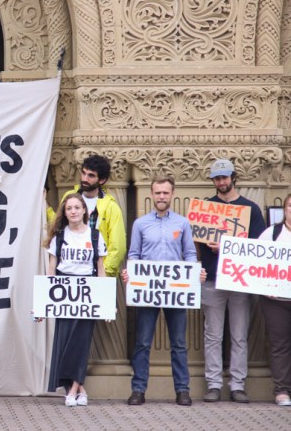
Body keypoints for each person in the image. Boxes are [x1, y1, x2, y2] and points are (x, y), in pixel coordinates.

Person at [121, 176, 206, 406]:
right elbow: (134, 255)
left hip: (175, 291)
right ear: (151, 194)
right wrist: (130, 273)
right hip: (148, 290)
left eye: (165, 193)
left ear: (172, 194)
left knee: (178, 343)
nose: (161, 197)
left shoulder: (182, 223)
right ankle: (138, 390)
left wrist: (194, 273)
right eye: (158, 193)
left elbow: (189, 254)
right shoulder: (140, 224)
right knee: (142, 342)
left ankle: (182, 391)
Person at [198, 158, 264, 403]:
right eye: (217, 178)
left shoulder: (251, 209)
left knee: (239, 335)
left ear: (233, 177)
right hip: (212, 279)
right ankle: (214, 384)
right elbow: (194, 243)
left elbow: (258, 247)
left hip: (240, 281)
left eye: (225, 177)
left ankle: (237, 385)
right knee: (213, 335)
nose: (221, 182)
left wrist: (225, 248)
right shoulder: (205, 208)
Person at [40, 193, 107, 407]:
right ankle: (79, 389)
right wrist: (43, 302)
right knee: (66, 342)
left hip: (87, 292)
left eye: (77, 207)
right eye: (69, 208)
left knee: (82, 342)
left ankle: (74, 389)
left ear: (85, 210)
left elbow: (100, 270)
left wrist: (105, 304)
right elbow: (51, 269)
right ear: (65, 212)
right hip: (63, 292)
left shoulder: (95, 236)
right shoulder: (59, 237)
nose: (74, 211)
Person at [61, 155, 126, 277]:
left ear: (101, 180)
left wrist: (103, 274)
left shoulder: (111, 207)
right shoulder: (69, 197)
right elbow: (57, 227)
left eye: (91, 175)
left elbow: (117, 247)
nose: (85, 178)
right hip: (68, 270)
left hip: (95, 273)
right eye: (84, 173)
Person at [257, 193, 291, 406]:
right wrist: (263, 286)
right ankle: (282, 390)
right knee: (279, 345)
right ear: (285, 209)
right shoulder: (271, 233)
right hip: (276, 300)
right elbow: (256, 264)